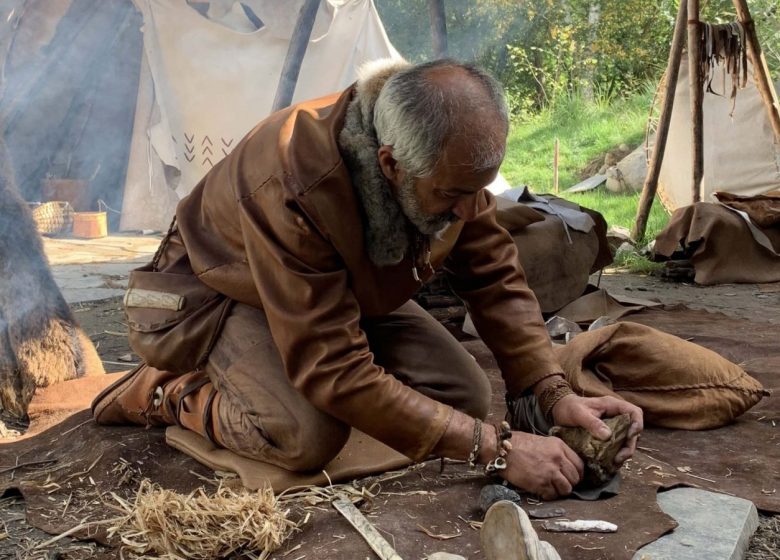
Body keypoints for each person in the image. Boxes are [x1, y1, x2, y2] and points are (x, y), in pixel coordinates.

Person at [93, 58, 642, 500]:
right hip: (217, 294)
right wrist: (497, 451)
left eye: (483, 187)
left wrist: (552, 393)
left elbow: (495, 278)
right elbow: (332, 366)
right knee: (306, 436)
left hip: (327, 294)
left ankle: (284, 391)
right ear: (389, 165)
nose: (475, 208)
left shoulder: (442, 157)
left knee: (465, 397)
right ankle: (167, 390)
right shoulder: (291, 178)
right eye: (453, 195)